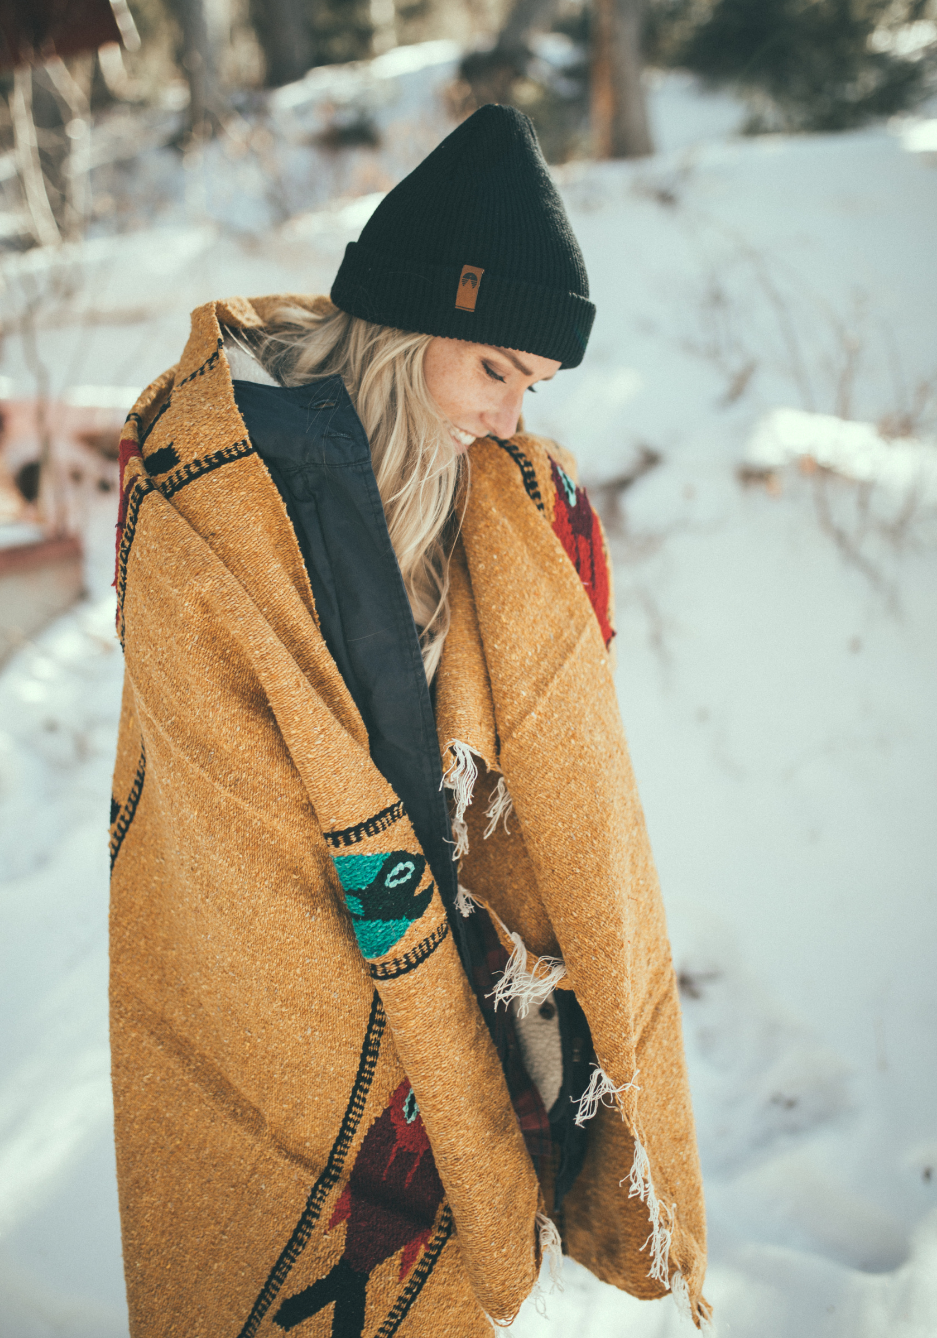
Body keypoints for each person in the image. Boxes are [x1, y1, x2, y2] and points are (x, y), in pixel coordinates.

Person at [109, 104, 710, 1338]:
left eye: (528, 385)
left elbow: (546, 749)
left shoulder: (487, 492)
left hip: (451, 966)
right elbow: (214, 761)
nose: (508, 416)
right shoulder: (211, 481)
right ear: (402, 321)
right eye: (493, 367)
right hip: (268, 941)